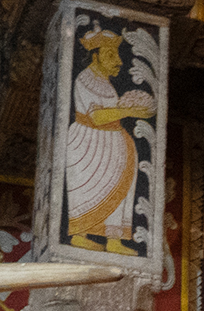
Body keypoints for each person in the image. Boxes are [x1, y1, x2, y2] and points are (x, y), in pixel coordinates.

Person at [61, 29, 156, 253]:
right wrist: (129, 111)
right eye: (111, 56)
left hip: (113, 143)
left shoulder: (104, 82)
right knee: (89, 191)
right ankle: (79, 234)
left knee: (120, 191)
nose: (119, 62)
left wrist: (131, 111)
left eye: (117, 56)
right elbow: (96, 116)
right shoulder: (85, 80)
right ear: (96, 56)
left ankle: (114, 240)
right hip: (89, 142)